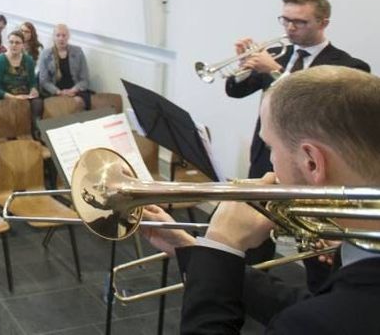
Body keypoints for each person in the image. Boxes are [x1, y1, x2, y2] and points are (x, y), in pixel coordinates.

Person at [141, 66, 380, 334]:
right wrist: (199, 251)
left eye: (271, 149)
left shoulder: (315, 321)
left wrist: (223, 241)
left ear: (311, 162)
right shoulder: (360, 259)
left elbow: (313, 316)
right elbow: (308, 304)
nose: (269, 168)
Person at [226, 0, 370, 179]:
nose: (290, 27)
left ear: (323, 23)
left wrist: (275, 71)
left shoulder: (348, 65)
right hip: (264, 155)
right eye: (285, 20)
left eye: (300, 22)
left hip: (310, 161)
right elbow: (236, 91)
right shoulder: (276, 53)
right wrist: (243, 68)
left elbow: (316, 107)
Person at [0, 31, 43, 123]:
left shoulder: (28, 60)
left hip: (25, 96)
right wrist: (12, 97)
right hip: (6, 97)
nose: (14, 45)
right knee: (13, 105)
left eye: (17, 43)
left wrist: (33, 89)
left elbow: (32, 82)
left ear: (23, 45)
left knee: (38, 103)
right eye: (11, 42)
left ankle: (36, 132)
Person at [38, 24, 93, 110]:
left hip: (75, 90)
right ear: (53, 37)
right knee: (62, 106)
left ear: (68, 37)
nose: (61, 38)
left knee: (77, 102)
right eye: (58, 35)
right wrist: (58, 92)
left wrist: (73, 90)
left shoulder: (78, 52)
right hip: (54, 92)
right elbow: (44, 81)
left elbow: (85, 79)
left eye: (64, 35)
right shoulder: (45, 54)